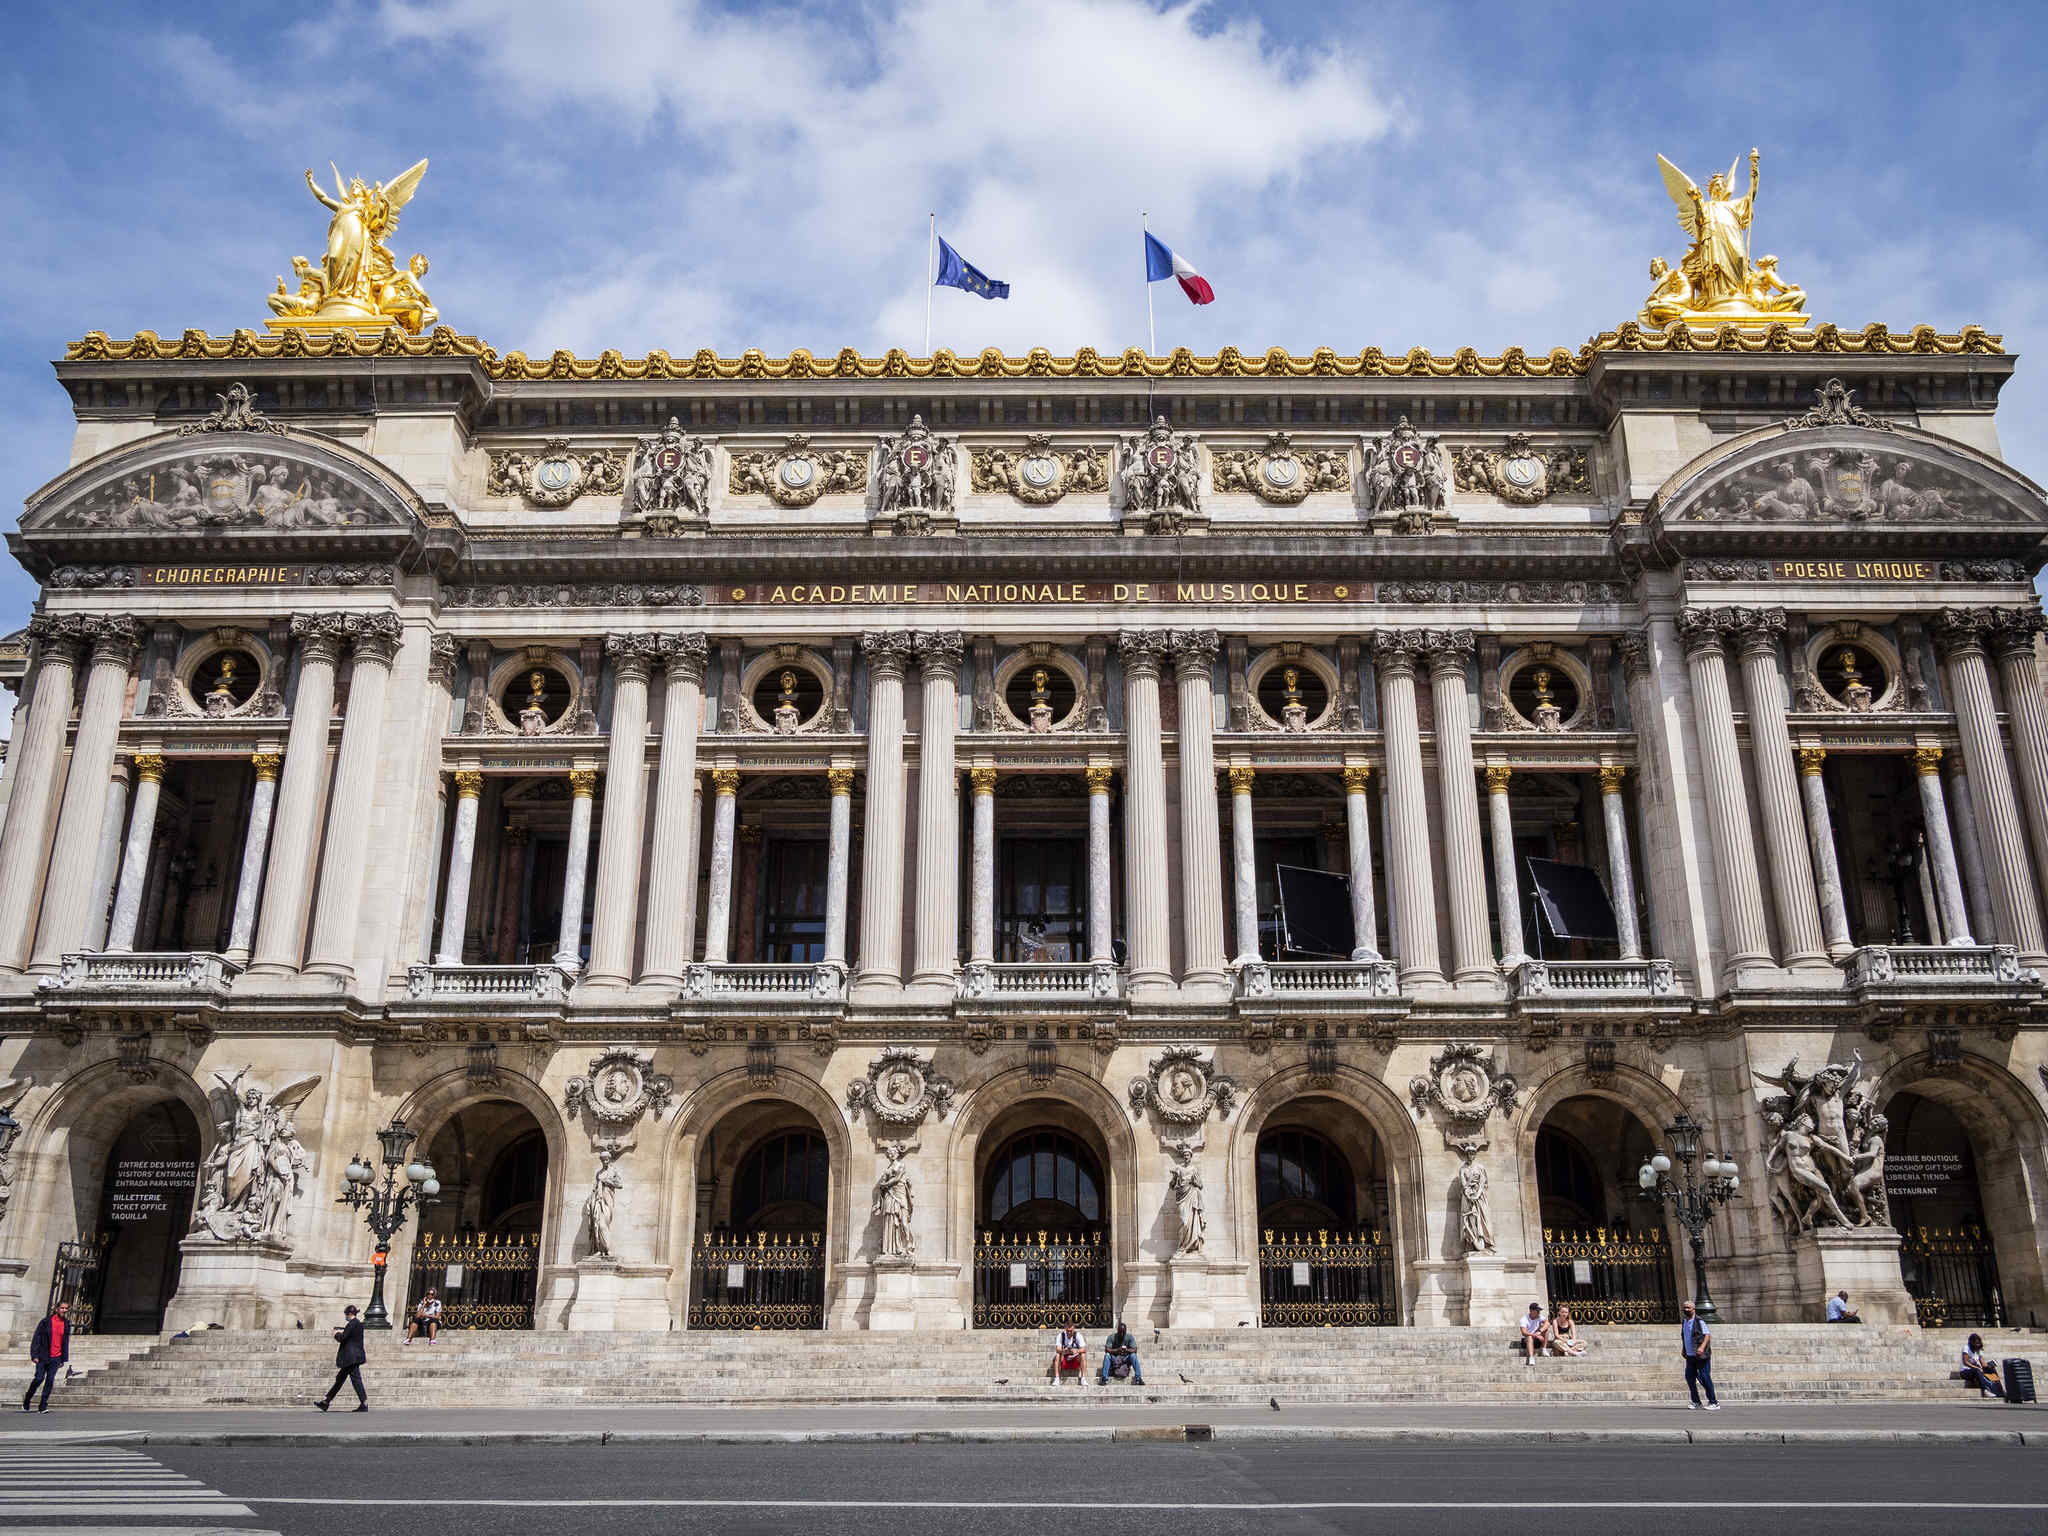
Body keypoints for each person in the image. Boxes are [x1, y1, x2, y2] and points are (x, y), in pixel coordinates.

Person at [316, 1304, 368, 1412]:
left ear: (349, 1314)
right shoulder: (357, 1324)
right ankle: (326, 1401)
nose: (345, 1316)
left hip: (351, 1358)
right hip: (354, 1357)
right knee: (340, 1379)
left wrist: (336, 1334)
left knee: (355, 1380)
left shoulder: (352, 1324)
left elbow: (343, 1338)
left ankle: (364, 1403)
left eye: (346, 1314)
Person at [22, 1300, 70, 1413]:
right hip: (43, 1355)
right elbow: (36, 1338)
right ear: (57, 1309)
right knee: (39, 1378)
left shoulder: (66, 1323)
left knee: (50, 1380)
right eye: (62, 1308)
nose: (64, 1310)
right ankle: (27, 1398)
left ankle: (43, 1405)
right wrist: (34, 1354)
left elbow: (65, 1341)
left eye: (66, 1308)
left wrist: (63, 1358)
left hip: (56, 1357)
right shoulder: (46, 1322)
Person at [1680, 1300, 1719, 1410]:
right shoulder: (1685, 1321)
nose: (1686, 1310)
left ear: (1693, 1309)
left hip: (1700, 1355)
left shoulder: (1699, 1321)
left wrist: (1702, 1347)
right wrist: (1684, 1349)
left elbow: (1707, 1335)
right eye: (1684, 1307)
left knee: (1704, 1377)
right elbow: (1685, 1336)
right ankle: (1696, 1401)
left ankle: (1713, 1402)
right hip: (1690, 1355)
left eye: (1688, 1308)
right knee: (1689, 1377)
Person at [1098, 1320, 1144, 1386]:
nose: (1122, 1334)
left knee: (1133, 1355)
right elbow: (1107, 1349)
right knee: (1107, 1355)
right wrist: (1117, 1350)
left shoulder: (1129, 1337)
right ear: (1117, 1330)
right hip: (1115, 1358)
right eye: (1120, 1332)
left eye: (1123, 1332)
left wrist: (1126, 1350)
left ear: (1126, 1331)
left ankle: (1138, 1378)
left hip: (1126, 1358)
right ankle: (1104, 1379)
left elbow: (1135, 1350)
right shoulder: (1112, 1337)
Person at [1960, 1334, 2004, 1399]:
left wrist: (1990, 1365)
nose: (1978, 1345)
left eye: (1978, 1343)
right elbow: (1965, 1362)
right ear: (1972, 1343)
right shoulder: (1966, 1348)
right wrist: (1977, 1367)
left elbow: (1983, 1363)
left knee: (1992, 1370)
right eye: (1976, 1343)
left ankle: (1999, 1390)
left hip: (1976, 1369)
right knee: (1977, 1370)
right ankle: (1985, 1390)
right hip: (1965, 1371)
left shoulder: (1979, 1349)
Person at [1519, 1301, 1548, 1366]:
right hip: (1526, 1341)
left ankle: (1544, 1349)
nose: (1539, 1312)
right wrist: (1534, 1335)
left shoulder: (1539, 1317)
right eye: (1537, 1311)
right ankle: (1531, 1358)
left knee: (1546, 1330)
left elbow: (1547, 1323)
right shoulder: (1524, 1319)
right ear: (1531, 1311)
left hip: (1537, 1339)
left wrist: (1539, 1332)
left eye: (1539, 1311)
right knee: (1529, 1337)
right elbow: (1524, 1332)